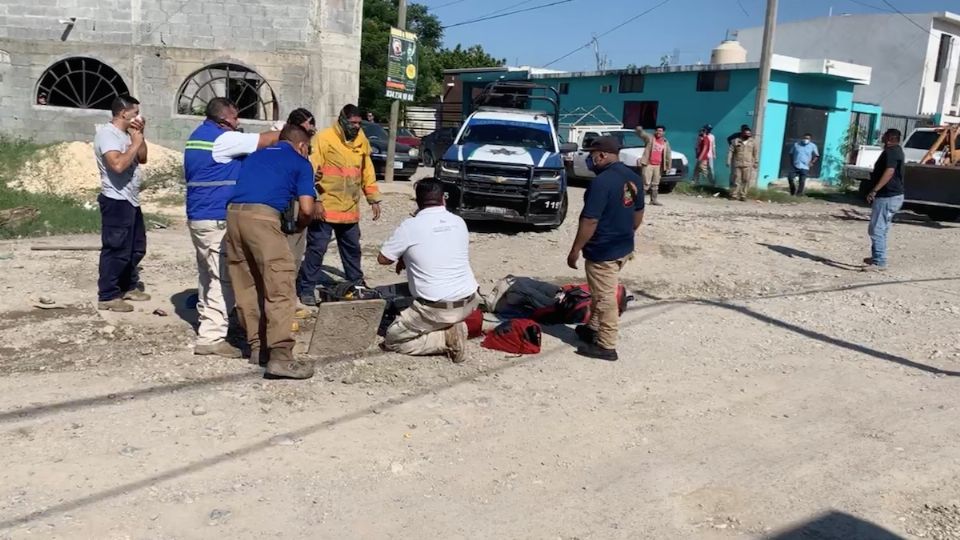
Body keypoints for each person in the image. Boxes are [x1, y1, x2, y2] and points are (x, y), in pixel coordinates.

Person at [183, 98, 281, 358]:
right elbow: (266, 141)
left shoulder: (197, 136)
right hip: (215, 217)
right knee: (222, 277)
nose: (238, 124)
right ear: (225, 119)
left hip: (199, 216)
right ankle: (211, 337)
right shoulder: (222, 140)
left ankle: (210, 321)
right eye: (236, 119)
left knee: (208, 274)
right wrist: (286, 130)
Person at [226, 124, 317, 379]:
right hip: (263, 220)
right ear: (302, 145)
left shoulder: (256, 155)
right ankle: (280, 356)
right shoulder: (300, 162)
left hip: (233, 217)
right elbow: (308, 209)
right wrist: (298, 227)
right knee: (279, 287)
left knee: (247, 285)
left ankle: (257, 349)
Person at [378, 179, 480, 363]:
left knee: (393, 340)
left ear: (417, 202)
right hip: (470, 303)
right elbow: (438, 248)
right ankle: (449, 327)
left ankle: (445, 338)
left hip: (437, 309)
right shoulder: (459, 221)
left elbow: (383, 259)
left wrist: (403, 256)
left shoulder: (410, 226)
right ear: (444, 199)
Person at [566, 136, 645, 361]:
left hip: (603, 250)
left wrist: (575, 250)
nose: (591, 160)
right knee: (600, 289)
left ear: (601, 155)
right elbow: (637, 214)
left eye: (592, 156)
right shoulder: (632, 178)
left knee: (605, 297)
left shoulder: (601, 183)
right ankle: (592, 328)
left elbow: (590, 221)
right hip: (623, 247)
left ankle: (606, 344)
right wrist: (625, 233)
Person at [297, 104, 383, 306]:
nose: (356, 126)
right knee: (317, 249)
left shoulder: (361, 140)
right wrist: (315, 199)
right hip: (325, 207)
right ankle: (307, 288)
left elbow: (366, 171)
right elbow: (310, 169)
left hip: (349, 209)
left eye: (359, 123)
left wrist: (373, 198)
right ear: (343, 119)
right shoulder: (324, 138)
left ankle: (356, 283)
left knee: (352, 249)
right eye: (352, 123)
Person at [94, 95, 149, 312]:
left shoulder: (128, 134)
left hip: (131, 199)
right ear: (123, 113)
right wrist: (134, 144)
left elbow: (142, 158)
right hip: (115, 199)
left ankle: (127, 285)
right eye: (135, 113)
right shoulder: (107, 135)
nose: (138, 116)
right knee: (116, 248)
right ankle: (108, 294)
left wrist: (140, 137)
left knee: (136, 247)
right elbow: (117, 165)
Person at [863, 129, 905, 272]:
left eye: (884, 135)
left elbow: (890, 171)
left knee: (876, 228)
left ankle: (879, 261)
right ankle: (876, 257)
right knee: (882, 227)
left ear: (888, 138)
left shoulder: (891, 152)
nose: (881, 137)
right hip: (894, 196)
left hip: (887, 196)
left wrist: (875, 190)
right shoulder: (897, 150)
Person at [283, 108, 318, 277]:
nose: (312, 128)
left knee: (293, 253)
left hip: (293, 201)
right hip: (289, 205)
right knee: (289, 253)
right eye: (310, 124)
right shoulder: (291, 146)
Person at [635, 125, 672, 206]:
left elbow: (668, 154)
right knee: (646, 184)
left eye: (660, 131)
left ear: (664, 132)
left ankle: (653, 200)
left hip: (658, 166)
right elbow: (642, 134)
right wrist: (639, 129)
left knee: (655, 184)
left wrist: (668, 166)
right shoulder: (650, 138)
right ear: (655, 131)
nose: (659, 132)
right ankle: (639, 201)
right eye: (657, 130)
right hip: (648, 164)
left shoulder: (665, 142)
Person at [727, 126, 758, 201]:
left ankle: (743, 195)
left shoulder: (753, 142)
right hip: (737, 163)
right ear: (742, 134)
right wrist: (728, 160)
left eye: (749, 134)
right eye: (746, 134)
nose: (748, 135)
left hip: (748, 164)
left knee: (746, 180)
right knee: (736, 180)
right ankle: (734, 194)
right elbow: (730, 152)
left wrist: (756, 162)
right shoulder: (736, 141)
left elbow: (755, 153)